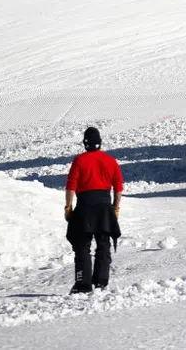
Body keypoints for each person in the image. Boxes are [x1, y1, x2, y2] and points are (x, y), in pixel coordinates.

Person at [64, 126, 122, 294]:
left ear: (85, 143)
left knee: (82, 245)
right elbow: (118, 188)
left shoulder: (79, 161)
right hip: (105, 207)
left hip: (85, 207)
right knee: (103, 244)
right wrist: (115, 208)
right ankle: (101, 282)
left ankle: (83, 285)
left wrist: (68, 207)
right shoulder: (110, 161)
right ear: (100, 142)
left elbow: (71, 187)